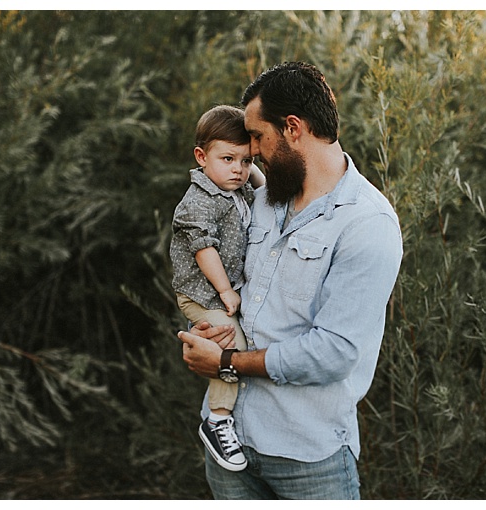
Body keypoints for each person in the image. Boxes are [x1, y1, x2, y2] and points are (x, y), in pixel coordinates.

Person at [177, 61, 404, 499]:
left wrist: (225, 364)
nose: (253, 152)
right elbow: (227, 284)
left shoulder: (366, 223)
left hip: (306, 457)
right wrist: (214, 327)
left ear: (294, 128)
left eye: (258, 137)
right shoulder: (258, 200)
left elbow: (333, 353)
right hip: (228, 446)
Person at [170, 104, 265, 472]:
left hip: (220, 291)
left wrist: (252, 168)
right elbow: (203, 249)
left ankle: (228, 412)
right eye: (228, 159)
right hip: (203, 292)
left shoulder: (235, 190)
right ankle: (218, 418)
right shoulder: (198, 201)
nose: (238, 170)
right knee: (231, 343)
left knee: (230, 339)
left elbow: (264, 189)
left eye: (245, 161)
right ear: (201, 156)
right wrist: (226, 291)